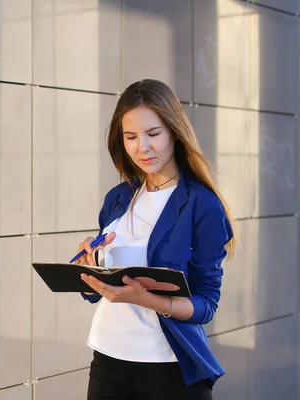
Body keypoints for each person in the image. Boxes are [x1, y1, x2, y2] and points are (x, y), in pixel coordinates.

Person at [74, 79, 237, 400]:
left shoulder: (201, 204)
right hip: (108, 358)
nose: (142, 148)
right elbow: (98, 292)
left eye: (153, 134)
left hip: (168, 366)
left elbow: (206, 305)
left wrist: (146, 299)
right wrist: (88, 269)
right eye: (131, 137)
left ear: (174, 132)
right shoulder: (119, 198)